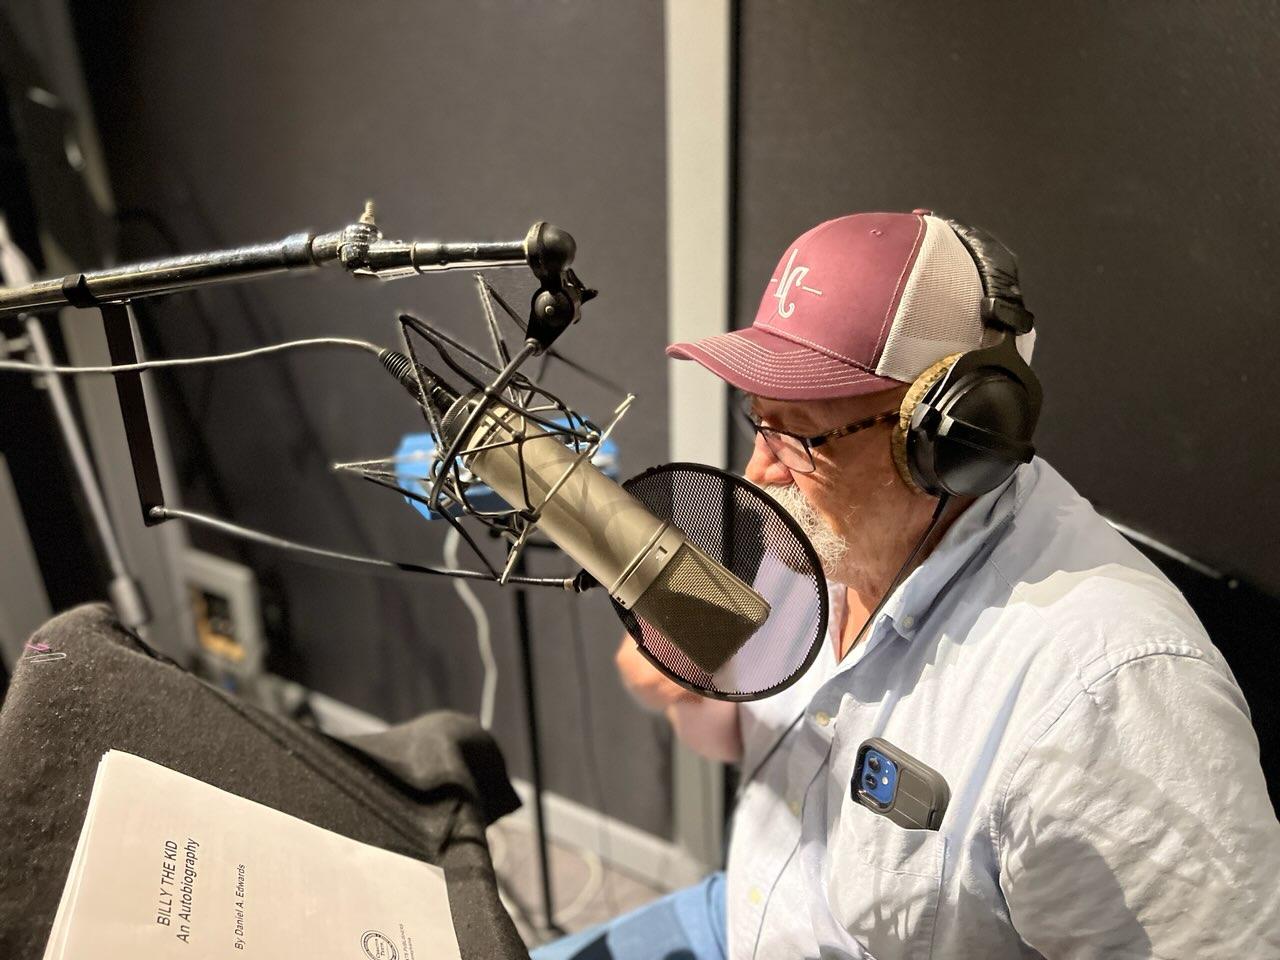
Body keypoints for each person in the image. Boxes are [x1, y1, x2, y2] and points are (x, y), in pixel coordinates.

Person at [532, 210, 1280, 959]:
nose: (759, 473)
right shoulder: (821, 533)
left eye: (799, 435)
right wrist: (686, 687)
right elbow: (737, 741)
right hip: (739, 919)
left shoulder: (1107, 698)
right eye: (758, 421)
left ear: (953, 440)